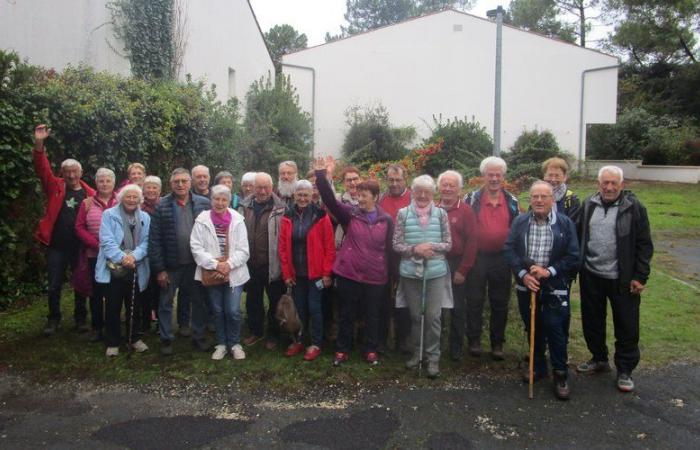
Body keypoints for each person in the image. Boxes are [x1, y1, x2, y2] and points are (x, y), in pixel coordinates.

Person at [576, 166, 653, 393]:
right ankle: (599, 358)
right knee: (592, 320)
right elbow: (580, 234)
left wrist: (640, 276)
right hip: (591, 274)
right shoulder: (589, 204)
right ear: (598, 184)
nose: (609, 187)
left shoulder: (634, 208)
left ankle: (625, 369)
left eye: (613, 183)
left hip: (623, 278)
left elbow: (644, 244)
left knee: (626, 325)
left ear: (622, 184)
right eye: (605, 183)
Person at [503, 181, 580, 400]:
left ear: (552, 200)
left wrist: (550, 271)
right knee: (533, 327)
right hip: (526, 285)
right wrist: (523, 275)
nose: (538, 200)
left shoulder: (564, 224)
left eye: (543, 197)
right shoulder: (520, 222)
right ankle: (537, 367)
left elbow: (574, 256)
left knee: (556, 330)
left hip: (554, 286)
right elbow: (509, 250)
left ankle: (560, 373)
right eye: (534, 196)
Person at [314, 156, 393, 366]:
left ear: (375, 197)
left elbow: (390, 250)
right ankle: (342, 349)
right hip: (349, 274)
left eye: (365, 196)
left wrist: (390, 276)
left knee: (371, 315)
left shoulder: (386, 220)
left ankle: (370, 349)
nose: (360, 199)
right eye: (359, 195)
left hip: (375, 276)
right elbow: (330, 200)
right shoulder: (350, 214)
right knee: (346, 313)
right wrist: (321, 175)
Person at [32, 124, 96, 336]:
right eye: (67, 172)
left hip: (79, 247)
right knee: (53, 285)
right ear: (63, 173)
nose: (71, 175)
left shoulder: (90, 193)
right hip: (57, 246)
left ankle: (80, 319)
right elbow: (42, 168)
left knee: (80, 284)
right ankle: (53, 319)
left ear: (81, 172)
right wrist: (40, 143)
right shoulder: (55, 186)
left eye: (74, 171)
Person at [393, 175, 452, 378]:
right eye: (419, 191)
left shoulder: (442, 214)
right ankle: (416, 354)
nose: (423, 195)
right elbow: (397, 245)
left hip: (435, 272)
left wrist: (430, 248)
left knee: (434, 317)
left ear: (433, 193)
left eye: (428, 191)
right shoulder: (402, 214)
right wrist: (416, 249)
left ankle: (433, 357)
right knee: (416, 316)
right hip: (411, 272)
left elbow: (448, 244)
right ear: (413, 191)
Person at [149, 168, 211, 355]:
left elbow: (211, 235)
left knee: (198, 301)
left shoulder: (203, 204)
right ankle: (166, 339)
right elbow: (155, 240)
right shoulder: (162, 206)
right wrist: (159, 269)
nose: (181, 185)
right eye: (177, 182)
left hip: (195, 264)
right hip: (171, 265)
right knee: (166, 302)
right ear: (171, 184)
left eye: (184, 181)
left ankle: (198, 336)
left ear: (190, 182)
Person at [463, 156, 519, 360]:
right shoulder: (471, 199)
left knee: (500, 302)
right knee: (475, 300)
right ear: (483, 176)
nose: (494, 178)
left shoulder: (512, 201)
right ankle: (474, 341)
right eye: (490, 174)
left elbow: (515, 230)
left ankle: (497, 344)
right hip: (477, 258)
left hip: (502, 259)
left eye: (498, 175)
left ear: (503, 177)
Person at [190, 185, 250, 361]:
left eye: (224, 199)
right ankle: (222, 344)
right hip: (212, 272)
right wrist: (216, 265)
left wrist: (228, 265)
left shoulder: (238, 220)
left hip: (234, 272)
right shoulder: (202, 220)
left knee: (232, 310)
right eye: (217, 199)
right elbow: (196, 247)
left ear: (229, 201)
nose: (220, 202)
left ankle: (234, 343)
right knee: (217, 309)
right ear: (211, 200)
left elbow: (244, 250)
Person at [279, 180, 335, 361]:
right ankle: (300, 340)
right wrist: (286, 274)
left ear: (312, 196)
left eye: (306, 195)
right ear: (294, 196)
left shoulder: (320, 215)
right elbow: (283, 248)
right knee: (300, 309)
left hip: (316, 274)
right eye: (299, 195)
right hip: (297, 274)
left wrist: (327, 273)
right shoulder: (287, 216)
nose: (302, 198)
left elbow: (329, 247)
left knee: (314, 308)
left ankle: (316, 343)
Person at [95, 184, 151, 357]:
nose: (132, 200)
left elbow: (147, 241)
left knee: (134, 305)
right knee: (113, 306)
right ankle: (112, 342)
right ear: (121, 198)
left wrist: (133, 257)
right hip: (114, 269)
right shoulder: (109, 215)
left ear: (140, 200)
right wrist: (122, 258)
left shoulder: (145, 217)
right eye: (128, 196)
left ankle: (134, 338)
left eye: (135, 197)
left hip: (136, 266)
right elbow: (106, 241)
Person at [239, 172, 286, 349]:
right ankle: (255, 332)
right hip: (251, 264)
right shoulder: (244, 206)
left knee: (275, 302)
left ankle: (273, 335)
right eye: (259, 187)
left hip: (272, 264)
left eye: (266, 187)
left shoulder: (281, 207)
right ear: (253, 187)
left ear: (272, 187)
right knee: (253, 301)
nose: (263, 190)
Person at [436, 170, 477, 361]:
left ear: (460, 189)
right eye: (444, 184)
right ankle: (435, 345)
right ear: (438, 187)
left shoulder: (466, 210)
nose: (447, 188)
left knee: (457, 308)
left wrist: (463, 269)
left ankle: (456, 348)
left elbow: (472, 242)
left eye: (452, 185)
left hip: (457, 263)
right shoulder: (433, 208)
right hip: (436, 263)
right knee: (436, 308)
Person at [74, 168, 118, 342]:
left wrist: (113, 248)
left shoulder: (121, 201)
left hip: (117, 256)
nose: (104, 184)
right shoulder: (87, 203)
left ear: (113, 183)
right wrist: (97, 244)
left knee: (114, 292)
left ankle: (112, 327)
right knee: (96, 292)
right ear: (96, 183)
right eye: (101, 181)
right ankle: (97, 327)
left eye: (108, 181)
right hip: (94, 255)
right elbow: (79, 227)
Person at [378, 164, 412, 353]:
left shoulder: (414, 198)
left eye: (398, 180)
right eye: (391, 180)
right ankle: (382, 340)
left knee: (404, 299)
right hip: (383, 256)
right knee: (383, 298)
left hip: (405, 256)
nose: (394, 183)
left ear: (405, 179)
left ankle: (402, 339)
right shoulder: (381, 199)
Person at [140, 175, 162, 330]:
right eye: (148, 187)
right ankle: (145, 320)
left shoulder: (164, 205)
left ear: (159, 190)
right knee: (145, 288)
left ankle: (161, 322)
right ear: (143, 189)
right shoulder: (137, 206)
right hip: (142, 254)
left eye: (155, 187)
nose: (151, 190)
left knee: (160, 289)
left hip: (159, 253)